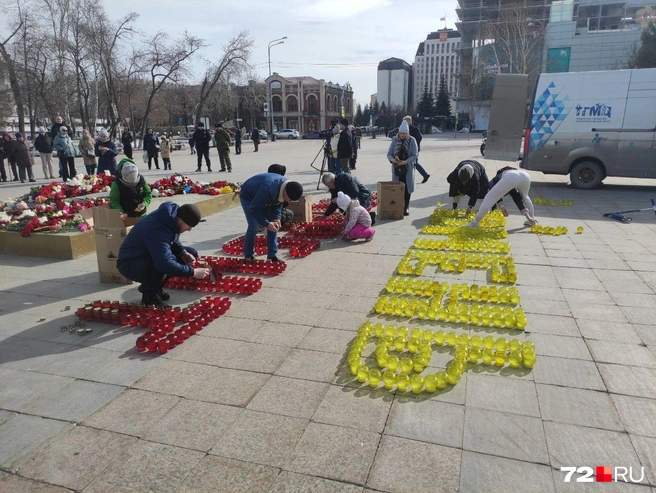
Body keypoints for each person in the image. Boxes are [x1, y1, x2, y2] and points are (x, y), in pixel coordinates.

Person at [117, 202, 209, 306]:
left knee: (191, 253)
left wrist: (182, 252)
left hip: (146, 254)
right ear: (181, 220)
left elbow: (172, 238)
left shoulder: (171, 218)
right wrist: (193, 272)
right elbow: (164, 263)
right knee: (162, 263)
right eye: (189, 226)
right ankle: (149, 297)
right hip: (130, 263)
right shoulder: (157, 229)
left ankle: (153, 286)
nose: (189, 230)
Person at [239, 172, 303, 262]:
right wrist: (266, 224)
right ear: (285, 191)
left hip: (265, 196)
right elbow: (253, 209)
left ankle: (272, 255)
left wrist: (277, 218)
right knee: (254, 226)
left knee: (274, 224)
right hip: (249, 196)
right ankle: (249, 255)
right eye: (290, 198)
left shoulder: (287, 187)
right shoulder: (268, 189)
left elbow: (278, 203)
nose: (290, 201)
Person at [468, 167, 537, 227]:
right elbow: (517, 199)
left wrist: (501, 206)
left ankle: (475, 222)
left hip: (511, 176)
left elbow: (495, 196)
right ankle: (531, 220)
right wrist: (529, 217)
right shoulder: (507, 177)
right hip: (525, 175)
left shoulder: (494, 181)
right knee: (525, 197)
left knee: (488, 198)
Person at [387, 120, 417, 216]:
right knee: (397, 187)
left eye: (405, 133)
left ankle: (406, 207)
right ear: (398, 133)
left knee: (407, 188)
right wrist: (393, 160)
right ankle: (398, 206)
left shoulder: (412, 140)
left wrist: (405, 161)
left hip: (407, 167)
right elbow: (389, 153)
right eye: (401, 133)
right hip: (397, 167)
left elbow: (414, 155)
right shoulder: (395, 140)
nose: (403, 135)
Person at [404, 115, 430, 183]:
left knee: (414, 163)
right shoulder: (405, 129)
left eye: (405, 121)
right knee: (412, 163)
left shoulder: (414, 129)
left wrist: (414, 144)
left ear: (409, 122)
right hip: (407, 149)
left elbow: (419, 137)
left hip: (414, 149)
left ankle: (425, 175)